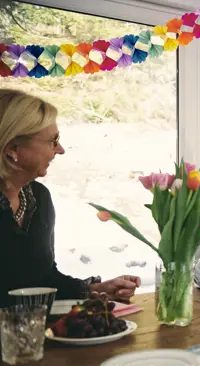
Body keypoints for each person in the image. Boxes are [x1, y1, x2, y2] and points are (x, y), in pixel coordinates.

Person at [0, 89, 141, 308]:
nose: (61, 150)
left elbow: (44, 278)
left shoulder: (38, 197)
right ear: (13, 149)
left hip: (34, 334)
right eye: (53, 141)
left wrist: (94, 290)